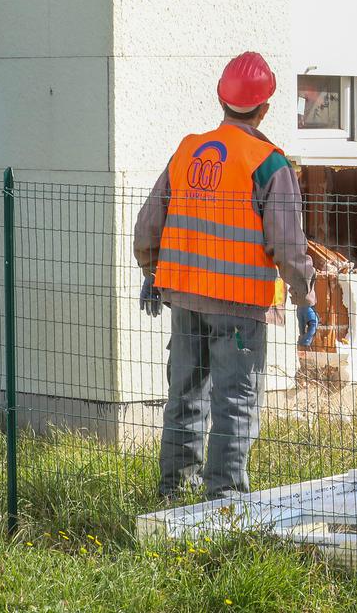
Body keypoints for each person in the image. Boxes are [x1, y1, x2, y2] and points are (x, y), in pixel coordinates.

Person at [134, 52, 318, 498]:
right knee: (235, 403)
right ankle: (224, 504)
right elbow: (289, 246)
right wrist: (304, 299)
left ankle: (173, 494)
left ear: (221, 98)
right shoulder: (270, 164)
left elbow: (147, 225)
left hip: (184, 296)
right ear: (265, 108)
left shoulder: (188, 150)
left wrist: (151, 270)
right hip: (238, 305)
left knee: (184, 397)